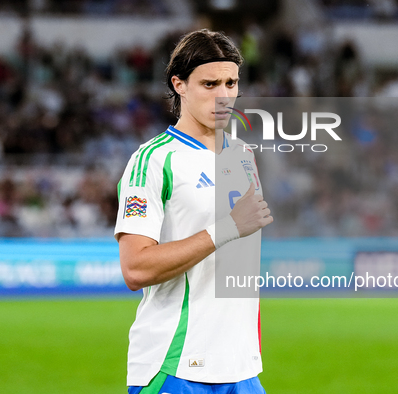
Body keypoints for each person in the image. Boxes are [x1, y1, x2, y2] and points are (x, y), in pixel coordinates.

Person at [115, 29, 273, 394]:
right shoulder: (153, 160)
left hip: (241, 367)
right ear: (179, 85)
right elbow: (135, 268)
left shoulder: (243, 156)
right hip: (176, 365)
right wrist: (228, 227)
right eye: (209, 83)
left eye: (231, 82)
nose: (224, 95)